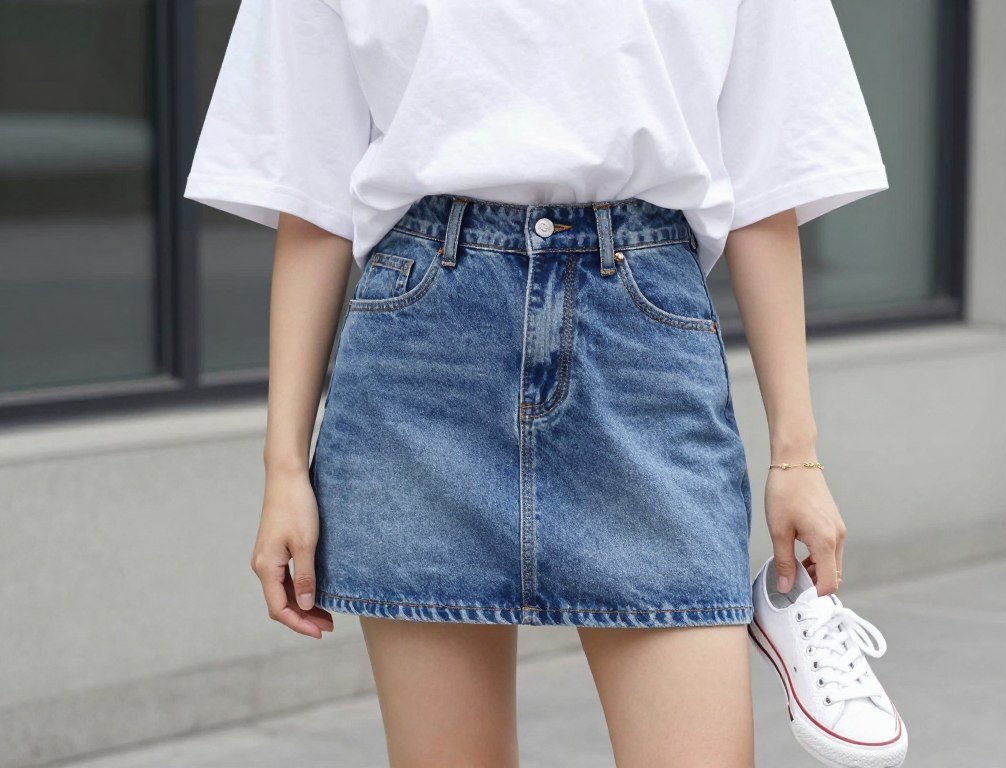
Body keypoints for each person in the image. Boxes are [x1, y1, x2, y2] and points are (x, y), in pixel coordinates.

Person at [184, 1, 888, 765]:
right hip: (426, 353)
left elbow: (768, 180)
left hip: (642, 341)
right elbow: (312, 195)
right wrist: (283, 468)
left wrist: (797, 457)